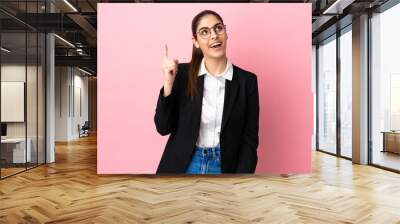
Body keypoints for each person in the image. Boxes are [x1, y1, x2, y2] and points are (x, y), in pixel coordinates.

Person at [154, 10, 259, 174]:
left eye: (218, 28)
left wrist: (242, 179)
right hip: (184, 165)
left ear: (226, 32)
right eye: (204, 32)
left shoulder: (248, 81)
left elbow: (250, 139)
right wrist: (168, 83)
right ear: (195, 41)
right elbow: (163, 127)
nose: (214, 36)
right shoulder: (180, 74)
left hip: (225, 166)